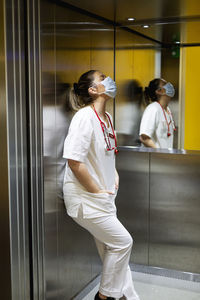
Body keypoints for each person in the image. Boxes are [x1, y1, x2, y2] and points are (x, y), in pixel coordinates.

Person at [63, 70, 140, 300]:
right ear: (93, 90)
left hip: (104, 198)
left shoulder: (106, 118)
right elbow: (75, 161)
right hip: (86, 199)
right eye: (103, 77)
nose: (110, 80)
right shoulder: (84, 117)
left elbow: (104, 153)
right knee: (123, 243)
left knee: (112, 250)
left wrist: (113, 174)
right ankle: (104, 297)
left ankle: (126, 296)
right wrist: (97, 191)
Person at [139, 78, 176, 149]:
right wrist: (159, 153)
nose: (169, 86)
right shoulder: (153, 109)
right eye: (165, 85)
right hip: (155, 158)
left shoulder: (168, 110)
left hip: (165, 157)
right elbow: (144, 138)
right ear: (159, 91)